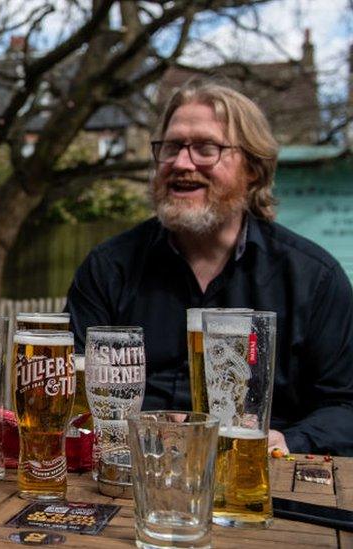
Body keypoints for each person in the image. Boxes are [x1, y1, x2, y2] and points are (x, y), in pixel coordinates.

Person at [66, 81, 353, 456]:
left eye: (205, 148)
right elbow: (74, 395)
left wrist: (289, 441)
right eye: (171, 147)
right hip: (131, 477)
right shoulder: (109, 269)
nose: (182, 164)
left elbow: (346, 406)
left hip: (255, 485)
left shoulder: (313, 279)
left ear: (253, 168)